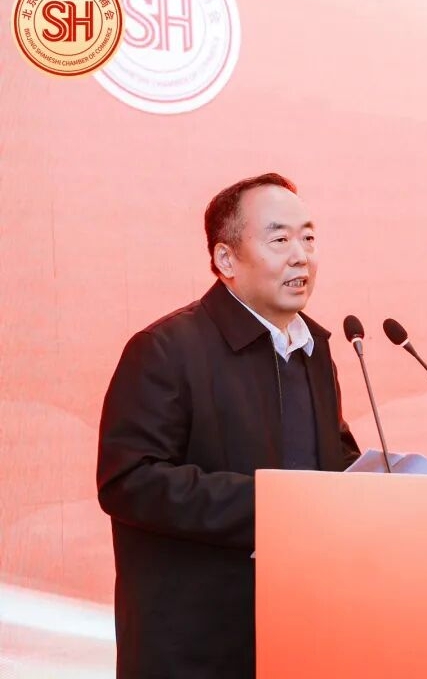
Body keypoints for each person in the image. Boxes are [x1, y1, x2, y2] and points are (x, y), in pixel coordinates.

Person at [97, 173, 360, 678]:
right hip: (196, 649)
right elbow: (129, 482)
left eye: (308, 238)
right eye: (280, 240)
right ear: (226, 259)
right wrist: (273, 504)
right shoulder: (166, 349)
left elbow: (325, 456)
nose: (301, 256)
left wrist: (376, 483)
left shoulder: (314, 350)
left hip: (303, 631)